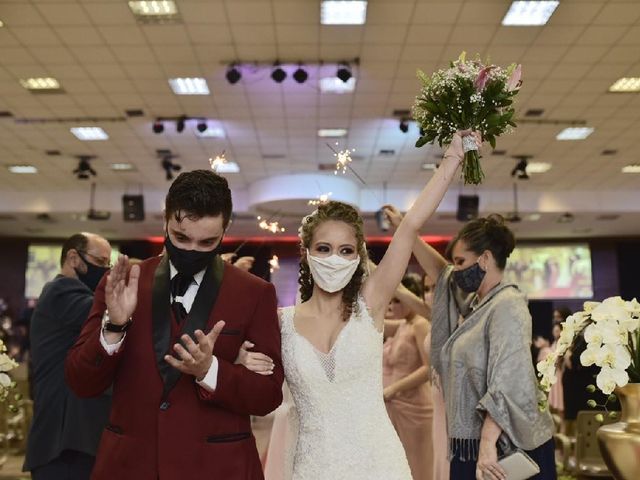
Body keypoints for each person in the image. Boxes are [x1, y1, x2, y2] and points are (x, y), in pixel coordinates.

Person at [237, 132, 478, 479]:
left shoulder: (371, 305)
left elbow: (410, 225)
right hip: (312, 466)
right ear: (306, 254)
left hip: (379, 464)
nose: (334, 259)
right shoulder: (279, 323)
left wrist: (453, 156)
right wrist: (241, 359)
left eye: (345, 251)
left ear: (358, 257)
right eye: (324, 249)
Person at [65, 170, 284, 480]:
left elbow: (267, 396)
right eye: (181, 238)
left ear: (225, 230)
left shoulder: (255, 293)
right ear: (165, 221)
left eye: (207, 241)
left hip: (219, 467)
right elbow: (80, 382)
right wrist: (115, 326)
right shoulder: (123, 282)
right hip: (130, 465)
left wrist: (211, 370)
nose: (192, 249)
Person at [395, 213, 556, 480]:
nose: (455, 270)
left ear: (485, 258)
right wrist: (407, 228)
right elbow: (441, 272)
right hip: (473, 441)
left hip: (502, 443)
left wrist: (487, 443)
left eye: (460, 262)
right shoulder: (477, 303)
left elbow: (509, 380)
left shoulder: (507, 305)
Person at [24, 232, 113, 480]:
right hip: (63, 442)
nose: (105, 270)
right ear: (74, 257)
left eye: (109, 264)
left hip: (74, 441)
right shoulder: (61, 291)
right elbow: (108, 313)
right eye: (101, 262)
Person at [383, 273, 433, 480]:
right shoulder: (404, 325)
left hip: (414, 407)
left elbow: (428, 368)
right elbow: (376, 323)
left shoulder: (420, 324)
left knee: (417, 466)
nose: (393, 306)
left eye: (398, 300)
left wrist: (394, 388)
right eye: (391, 301)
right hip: (394, 404)